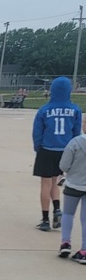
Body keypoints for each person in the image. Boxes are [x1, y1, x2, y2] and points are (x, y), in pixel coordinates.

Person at [31, 76, 82, 231]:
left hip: (47, 149)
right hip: (64, 150)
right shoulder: (75, 110)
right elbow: (76, 133)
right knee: (55, 182)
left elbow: (37, 131)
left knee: (45, 184)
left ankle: (45, 219)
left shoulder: (45, 110)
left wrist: (37, 147)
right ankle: (57, 209)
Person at [57, 116, 86, 262]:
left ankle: (65, 242)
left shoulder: (75, 142)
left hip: (74, 183)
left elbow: (63, 166)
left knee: (68, 213)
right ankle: (84, 250)